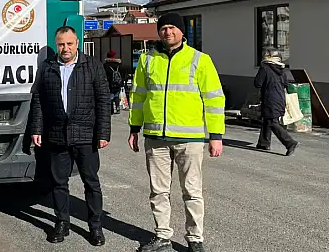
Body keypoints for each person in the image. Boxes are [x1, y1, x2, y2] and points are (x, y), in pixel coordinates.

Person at [128, 13, 225, 252]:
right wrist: (134, 128)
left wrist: (216, 136)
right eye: (163, 28)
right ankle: (162, 236)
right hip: (155, 137)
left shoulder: (200, 60)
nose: (168, 32)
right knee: (158, 191)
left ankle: (195, 239)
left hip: (189, 140)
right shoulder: (147, 60)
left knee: (192, 191)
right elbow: (138, 96)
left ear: (182, 32)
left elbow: (213, 99)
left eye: (172, 27)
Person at [30, 25, 111, 246]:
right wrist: (37, 129)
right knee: (58, 183)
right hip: (57, 135)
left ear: (77, 43)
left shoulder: (92, 65)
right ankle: (62, 223)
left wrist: (103, 133)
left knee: (91, 183)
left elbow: (103, 100)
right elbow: (38, 100)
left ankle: (95, 227)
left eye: (69, 43)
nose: (65, 48)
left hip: (85, 135)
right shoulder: (47, 67)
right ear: (57, 45)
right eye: (61, 44)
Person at [254, 47, 299, 155]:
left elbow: (257, 83)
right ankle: (263, 143)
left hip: (270, 99)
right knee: (267, 119)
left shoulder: (264, 68)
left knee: (272, 122)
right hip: (280, 99)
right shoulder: (282, 69)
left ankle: (290, 143)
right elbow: (285, 84)